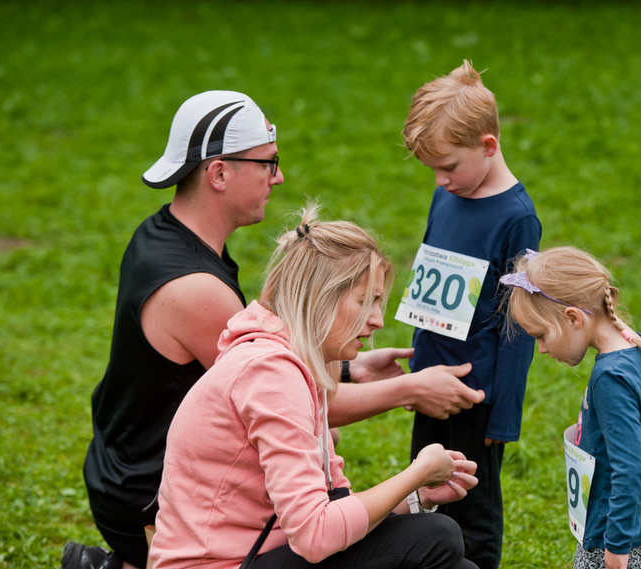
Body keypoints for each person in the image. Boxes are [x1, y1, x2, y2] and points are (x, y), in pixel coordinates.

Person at [63, 90, 485, 569]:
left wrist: (348, 369)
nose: (279, 176)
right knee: (437, 537)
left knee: (441, 544)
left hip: (159, 488)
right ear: (219, 173)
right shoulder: (204, 296)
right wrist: (410, 398)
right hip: (148, 498)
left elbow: (309, 425)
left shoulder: (165, 239)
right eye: (268, 162)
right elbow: (284, 408)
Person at [150, 205, 479, 569]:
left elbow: (336, 505)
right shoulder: (270, 373)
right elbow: (315, 536)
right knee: (436, 536)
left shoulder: (298, 363)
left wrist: (416, 496)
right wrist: (414, 473)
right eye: (364, 301)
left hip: (262, 555)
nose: (377, 320)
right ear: (321, 298)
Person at [401, 61, 542, 569]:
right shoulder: (449, 196)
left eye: (448, 167)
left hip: (475, 395)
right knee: (424, 495)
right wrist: (415, 366)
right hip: (431, 383)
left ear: (487, 146)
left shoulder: (516, 218)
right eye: (433, 171)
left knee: (472, 513)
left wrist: (502, 412)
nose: (440, 181)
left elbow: (519, 323)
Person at [500, 246, 641, 569]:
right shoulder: (639, 347)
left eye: (541, 336)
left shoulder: (610, 377)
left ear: (572, 318)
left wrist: (617, 546)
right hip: (635, 522)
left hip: (614, 534)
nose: (540, 350)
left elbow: (631, 468)